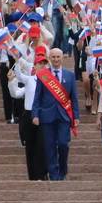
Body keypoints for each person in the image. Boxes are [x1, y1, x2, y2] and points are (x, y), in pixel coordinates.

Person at [32, 47, 79, 181]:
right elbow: (37, 97)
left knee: (64, 144)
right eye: (53, 57)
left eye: (58, 57)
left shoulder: (70, 75)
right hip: (47, 116)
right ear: (49, 59)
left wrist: (76, 116)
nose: (56, 59)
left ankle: (63, 170)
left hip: (64, 116)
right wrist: (35, 114)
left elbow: (74, 98)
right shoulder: (43, 75)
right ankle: (53, 174)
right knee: (49, 146)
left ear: (62, 58)